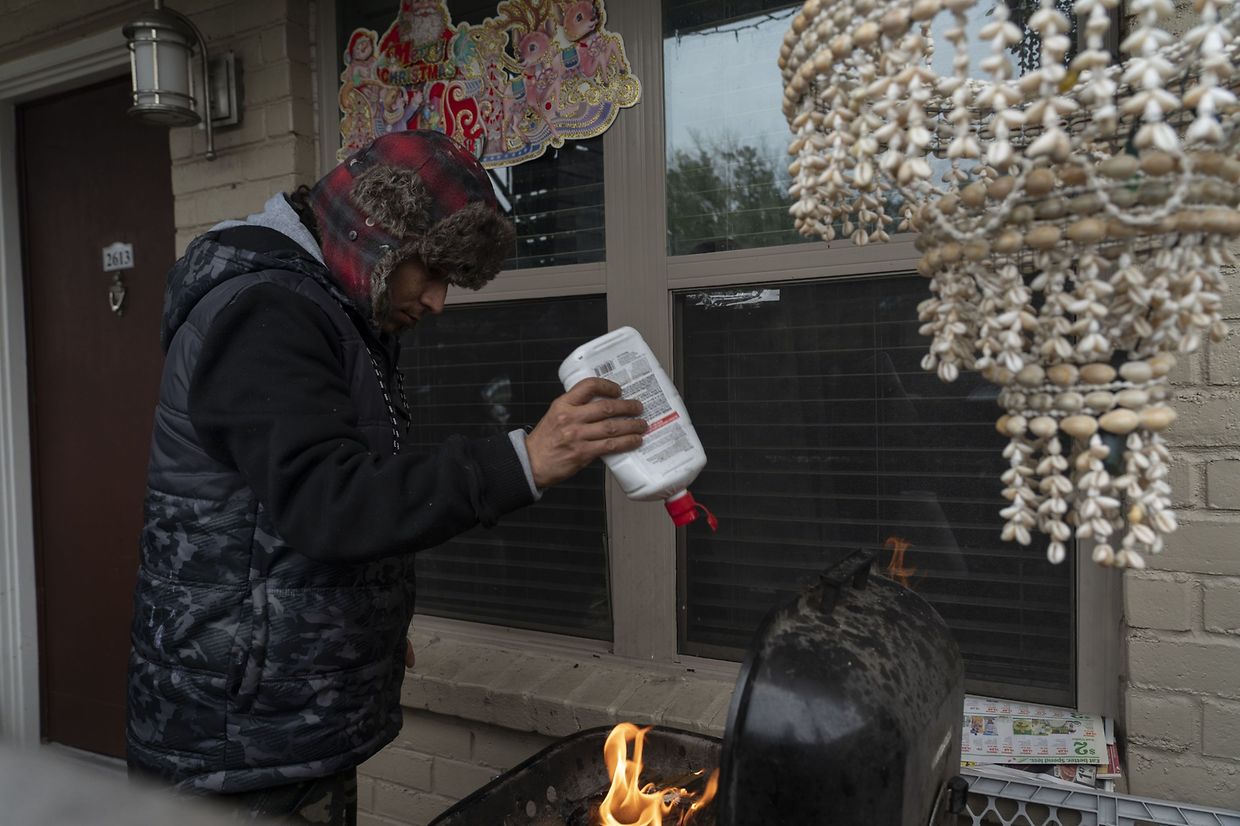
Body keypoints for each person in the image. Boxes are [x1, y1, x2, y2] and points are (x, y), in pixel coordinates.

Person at [126, 129, 646, 824]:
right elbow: (329, 502)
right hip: (235, 745)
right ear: (374, 236)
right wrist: (524, 460)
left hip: (290, 720)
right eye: (428, 271)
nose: (436, 301)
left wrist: (362, 618)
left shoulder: (335, 311)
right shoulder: (265, 311)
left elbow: (320, 505)